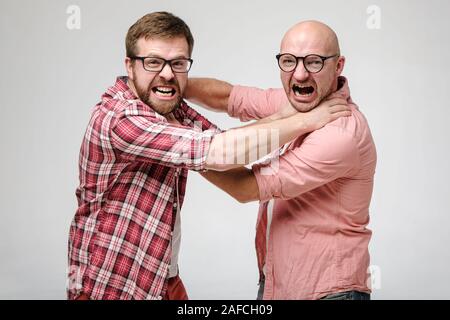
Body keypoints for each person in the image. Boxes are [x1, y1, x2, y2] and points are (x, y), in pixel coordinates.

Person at [67, 13, 351, 300]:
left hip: (160, 278)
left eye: (177, 63)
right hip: (110, 284)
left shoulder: (168, 107)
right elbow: (223, 152)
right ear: (130, 66)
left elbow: (228, 146)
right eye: (153, 62)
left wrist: (282, 115)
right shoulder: (119, 118)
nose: (167, 73)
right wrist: (305, 121)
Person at [185, 20, 377, 300]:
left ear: (338, 66)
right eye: (288, 61)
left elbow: (246, 186)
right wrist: (171, 84)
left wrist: (179, 145)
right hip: (279, 285)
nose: (299, 74)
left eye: (314, 62)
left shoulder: (341, 134)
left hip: (328, 293)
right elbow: (229, 97)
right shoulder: (299, 105)